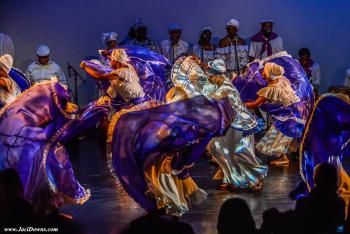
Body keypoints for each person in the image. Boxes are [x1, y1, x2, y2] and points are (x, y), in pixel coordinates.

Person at [82, 49, 235, 217]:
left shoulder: (124, 71)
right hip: (136, 112)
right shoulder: (120, 74)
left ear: (116, 60)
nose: (110, 62)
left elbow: (98, 73)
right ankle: (163, 195)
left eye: (111, 59)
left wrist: (86, 63)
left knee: (152, 153)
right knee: (149, 158)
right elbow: (111, 92)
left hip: (140, 112)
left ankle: (169, 193)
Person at [245, 62, 301, 165]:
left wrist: (239, 103)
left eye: (264, 71)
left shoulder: (272, 89)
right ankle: (283, 157)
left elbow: (255, 104)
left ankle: (284, 158)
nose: (262, 71)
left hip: (285, 116)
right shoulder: (281, 79)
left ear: (268, 73)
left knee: (278, 135)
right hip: (292, 113)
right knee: (281, 136)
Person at [295, 163, 346, 234]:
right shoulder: (339, 204)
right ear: (335, 180)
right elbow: (340, 227)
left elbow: (298, 228)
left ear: (314, 178)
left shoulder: (302, 203)